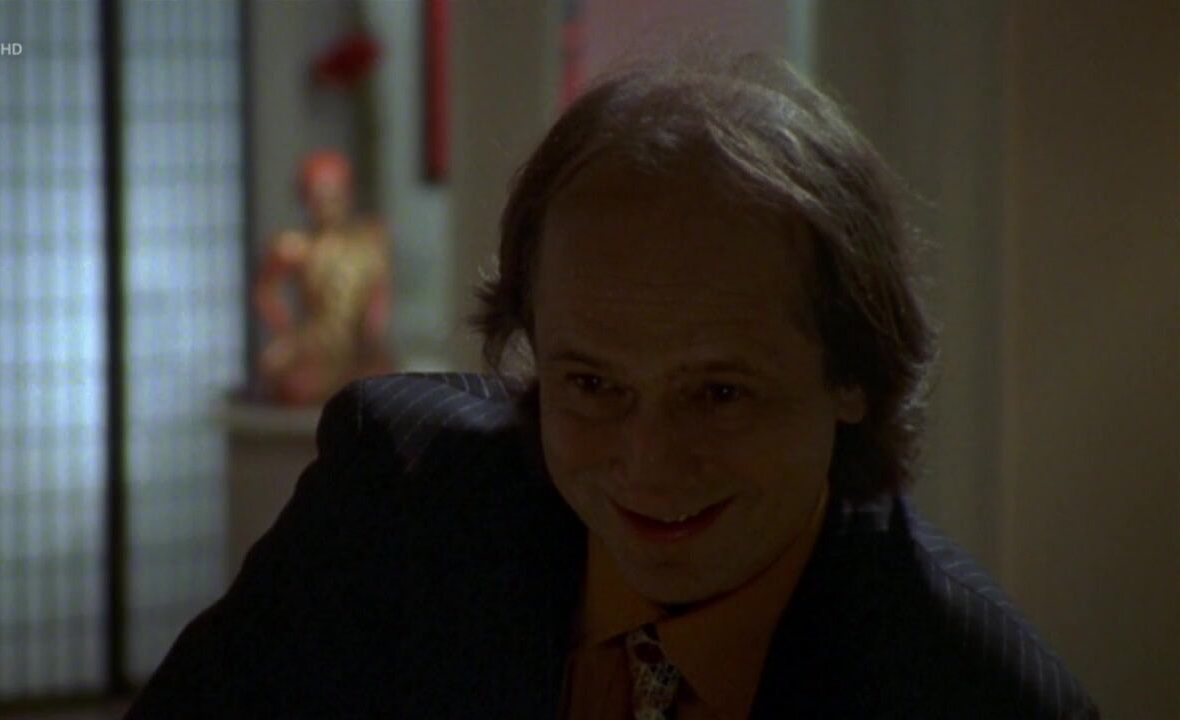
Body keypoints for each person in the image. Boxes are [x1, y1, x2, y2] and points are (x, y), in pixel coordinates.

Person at [128, 54, 1098, 719]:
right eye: (592, 383)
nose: (647, 465)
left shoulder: (974, 693)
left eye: (718, 394)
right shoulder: (392, 502)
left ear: (850, 375)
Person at [252, 150, 392, 406]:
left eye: (334, 196)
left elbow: (379, 290)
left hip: (358, 348)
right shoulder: (295, 246)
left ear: (348, 195)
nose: (327, 206)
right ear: (305, 199)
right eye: (318, 197)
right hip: (313, 344)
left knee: (380, 383)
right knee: (285, 375)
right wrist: (287, 332)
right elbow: (265, 290)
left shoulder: (368, 240)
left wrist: (371, 332)